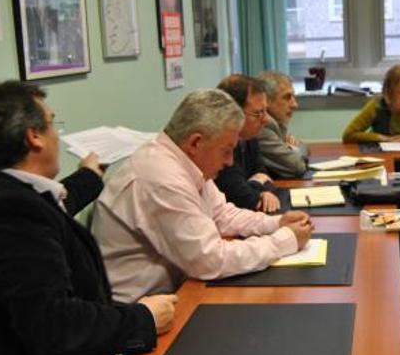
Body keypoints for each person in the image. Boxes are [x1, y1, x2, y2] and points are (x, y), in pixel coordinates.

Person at [0, 81, 176, 355]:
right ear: (34, 136)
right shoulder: (10, 214)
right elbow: (56, 327)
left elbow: (54, 207)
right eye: (52, 123)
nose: (57, 134)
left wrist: (89, 177)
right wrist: (143, 319)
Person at [92, 89, 314, 303]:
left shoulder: (184, 160)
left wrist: (276, 222)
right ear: (196, 142)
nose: (229, 162)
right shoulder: (161, 177)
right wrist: (284, 241)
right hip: (140, 312)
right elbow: (209, 260)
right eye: (226, 150)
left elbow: (223, 215)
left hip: (176, 289)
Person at [215, 74, 282, 212]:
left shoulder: (249, 136)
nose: (265, 120)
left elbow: (263, 173)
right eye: (258, 113)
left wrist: (257, 187)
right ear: (234, 113)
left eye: (265, 111)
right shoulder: (220, 144)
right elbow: (240, 196)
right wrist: (258, 187)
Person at [256, 70, 308, 178]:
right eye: (287, 97)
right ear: (266, 100)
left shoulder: (277, 123)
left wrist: (294, 148)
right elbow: (297, 167)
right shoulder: (262, 126)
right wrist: (295, 149)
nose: (295, 105)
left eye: (294, 97)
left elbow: (304, 147)